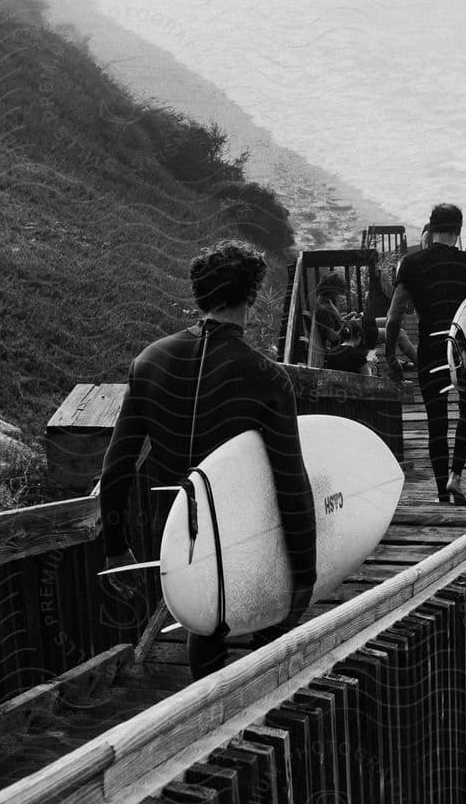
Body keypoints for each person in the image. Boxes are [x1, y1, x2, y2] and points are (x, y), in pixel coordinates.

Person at [98, 239, 317, 680]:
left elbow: (116, 465)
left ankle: (206, 702)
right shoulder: (266, 377)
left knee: (205, 624)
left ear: (200, 294)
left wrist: (115, 546)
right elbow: (291, 482)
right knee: (268, 631)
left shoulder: (149, 361)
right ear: (250, 297)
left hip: (177, 534)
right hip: (247, 534)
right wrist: (306, 576)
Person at [384, 203, 466, 506]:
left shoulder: (410, 265)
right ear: (459, 231)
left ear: (430, 228)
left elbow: (394, 318)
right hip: (465, 350)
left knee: (436, 421)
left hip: (430, 350)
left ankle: (440, 493)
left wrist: (390, 357)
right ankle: (456, 476)